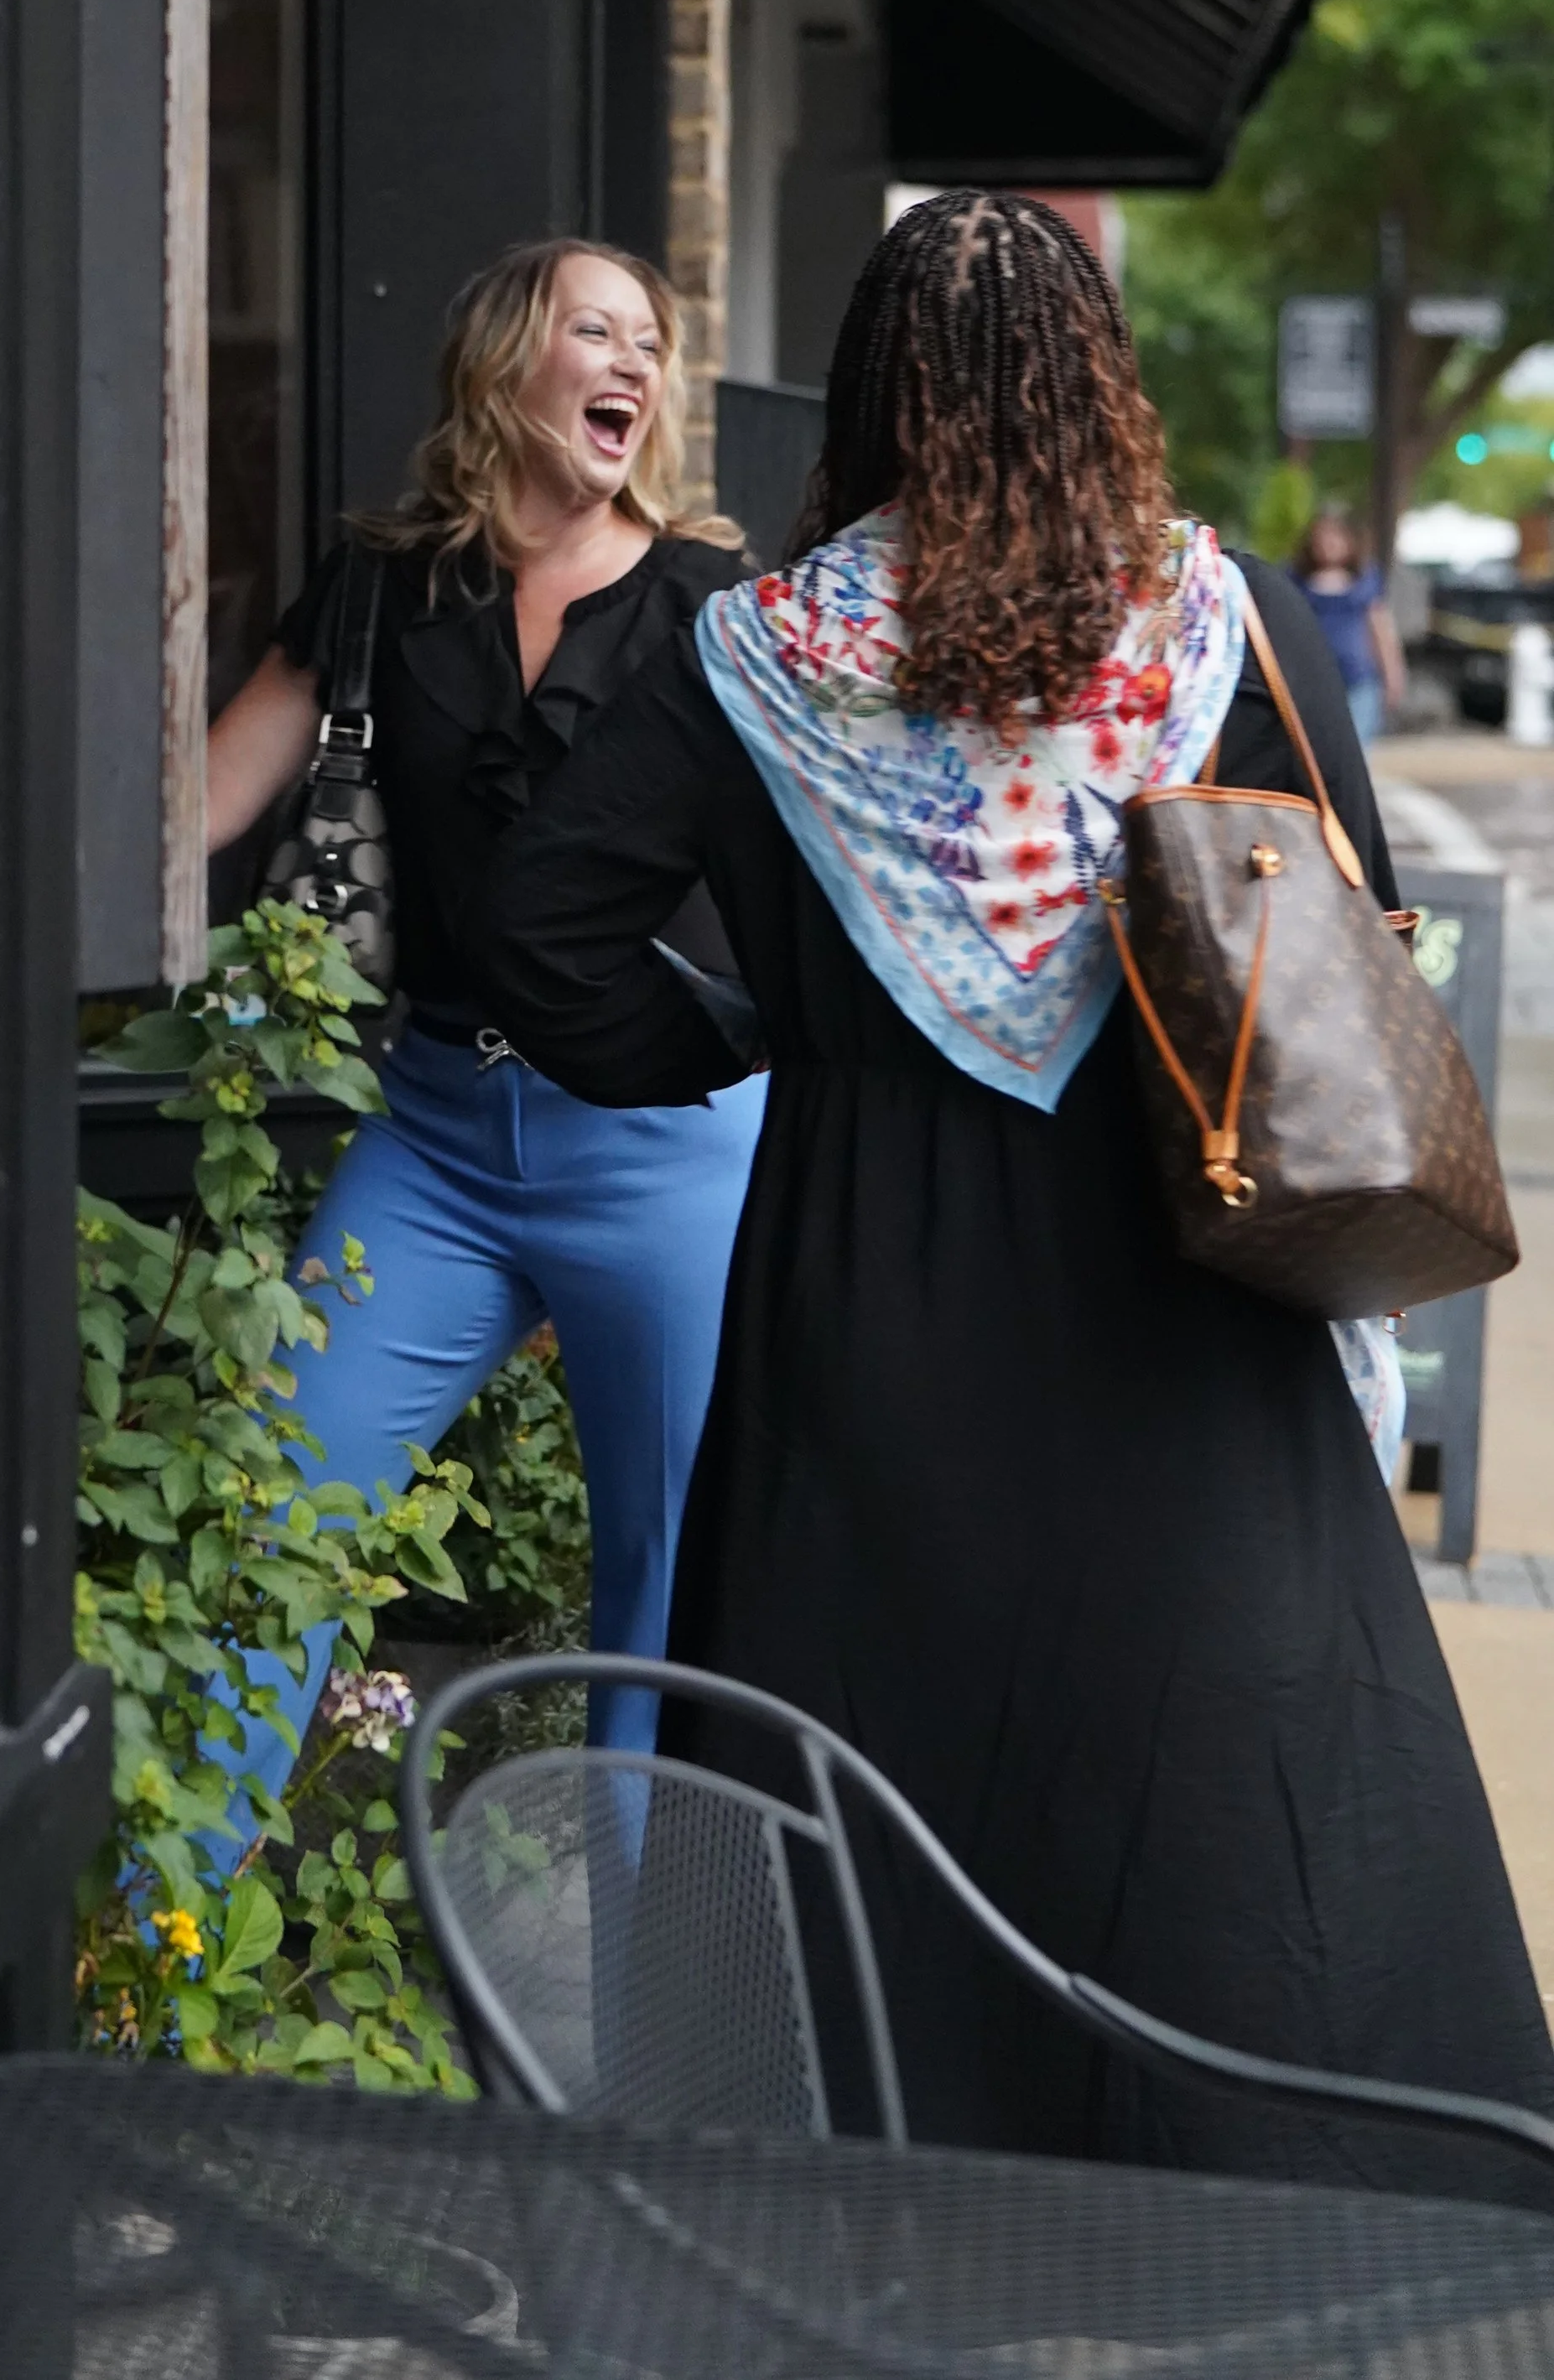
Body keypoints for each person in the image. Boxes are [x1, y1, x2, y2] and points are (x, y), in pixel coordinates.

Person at [481, 191, 1554, 2177]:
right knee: (1228, 1768)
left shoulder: (762, 654)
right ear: (1098, 386)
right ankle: (1248, 2210)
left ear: (875, 386)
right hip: (1190, 1291)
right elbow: (1358, 925)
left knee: (867, 1764)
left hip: (868, 1308)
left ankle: (872, 2223)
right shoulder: (1222, 621)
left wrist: (761, 1025)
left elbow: (539, 928)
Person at [202, 236, 767, 1833]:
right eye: (597, 330)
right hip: (439, 1141)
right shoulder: (386, 587)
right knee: (271, 1521)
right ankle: (148, 1976)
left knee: (666, 1592)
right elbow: (202, 805)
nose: (635, 364)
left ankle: (651, 2016)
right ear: (506, 361)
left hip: (665, 1145)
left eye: (650, 343)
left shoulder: (714, 608)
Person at [1289, 504, 1405, 745]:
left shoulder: (1364, 579)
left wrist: (1392, 674)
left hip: (1358, 680)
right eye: (1322, 536)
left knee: (1355, 747)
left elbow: (1380, 629)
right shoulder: (1296, 582)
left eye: (1336, 536)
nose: (1328, 543)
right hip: (1312, 682)